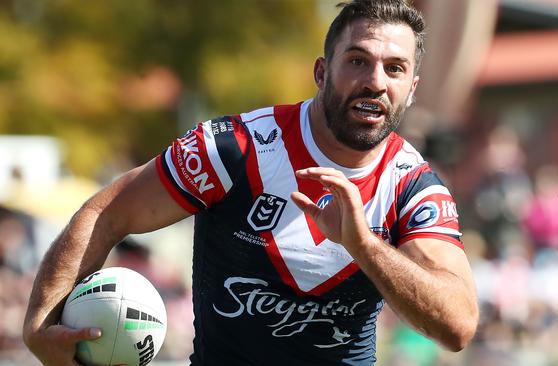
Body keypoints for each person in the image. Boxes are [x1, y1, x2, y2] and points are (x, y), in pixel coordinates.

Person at [23, 0, 478, 364]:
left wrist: (364, 247)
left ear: (412, 87)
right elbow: (107, 211)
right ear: (322, 72)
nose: (375, 81)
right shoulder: (235, 148)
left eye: (394, 68)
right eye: (358, 61)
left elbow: (457, 325)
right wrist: (41, 324)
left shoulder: (414, 188)